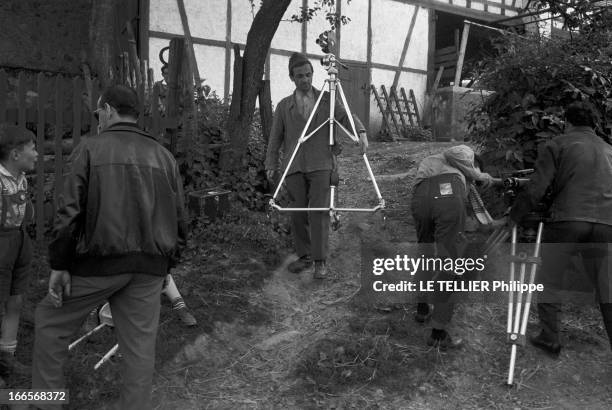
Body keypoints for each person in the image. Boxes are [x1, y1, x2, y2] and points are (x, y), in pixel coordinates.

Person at [31, 85, 188, 409]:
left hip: (98, 263)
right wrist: (166, 267)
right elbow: (180, 218)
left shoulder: (91, 148)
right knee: (140, 351)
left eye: (98, 112)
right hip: (149, 268)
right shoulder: (164, 156)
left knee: (48, 320)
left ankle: (45, 403)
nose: (96, 118)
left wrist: (59, 265)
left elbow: (69, 211)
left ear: (109, 110)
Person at [510, 101, 612, 356]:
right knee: (607, 287)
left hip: (568, 219)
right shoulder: (610, 150)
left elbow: (537, 188)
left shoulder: (558, 144)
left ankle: (550, 337)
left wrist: (513, 218)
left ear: (567, 122)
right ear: (595, 125)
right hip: (606, 224)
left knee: (549, 279)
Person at [265, 52, 368, 279]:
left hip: (321, 163)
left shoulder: (326, 99)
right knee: (298, 213)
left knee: (319, 212)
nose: (305, 80)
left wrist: (360, 132)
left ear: (313, 75)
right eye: (300, 76)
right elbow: (275, 138)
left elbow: (346, 116)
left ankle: (320, 261)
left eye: (308, 75)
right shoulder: (283, 107)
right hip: (294, 166)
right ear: (292, 78)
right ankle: (305, 256)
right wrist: (270, 162)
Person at [411, 145, 497, 349]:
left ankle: (422, 308)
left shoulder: (433, 162)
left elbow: (473, 220)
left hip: (420, 196)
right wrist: (481, 175)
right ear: (473, 162)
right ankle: (438, 333)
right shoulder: (462, 153)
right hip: (446, 195)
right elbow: (455, 153)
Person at [0, 124, 37, 386]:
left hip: (19, 240)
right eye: (32, 149)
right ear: (15, 154)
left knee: (15, 300)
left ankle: (7, 357)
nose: (36, 154)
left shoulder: (21, 177)